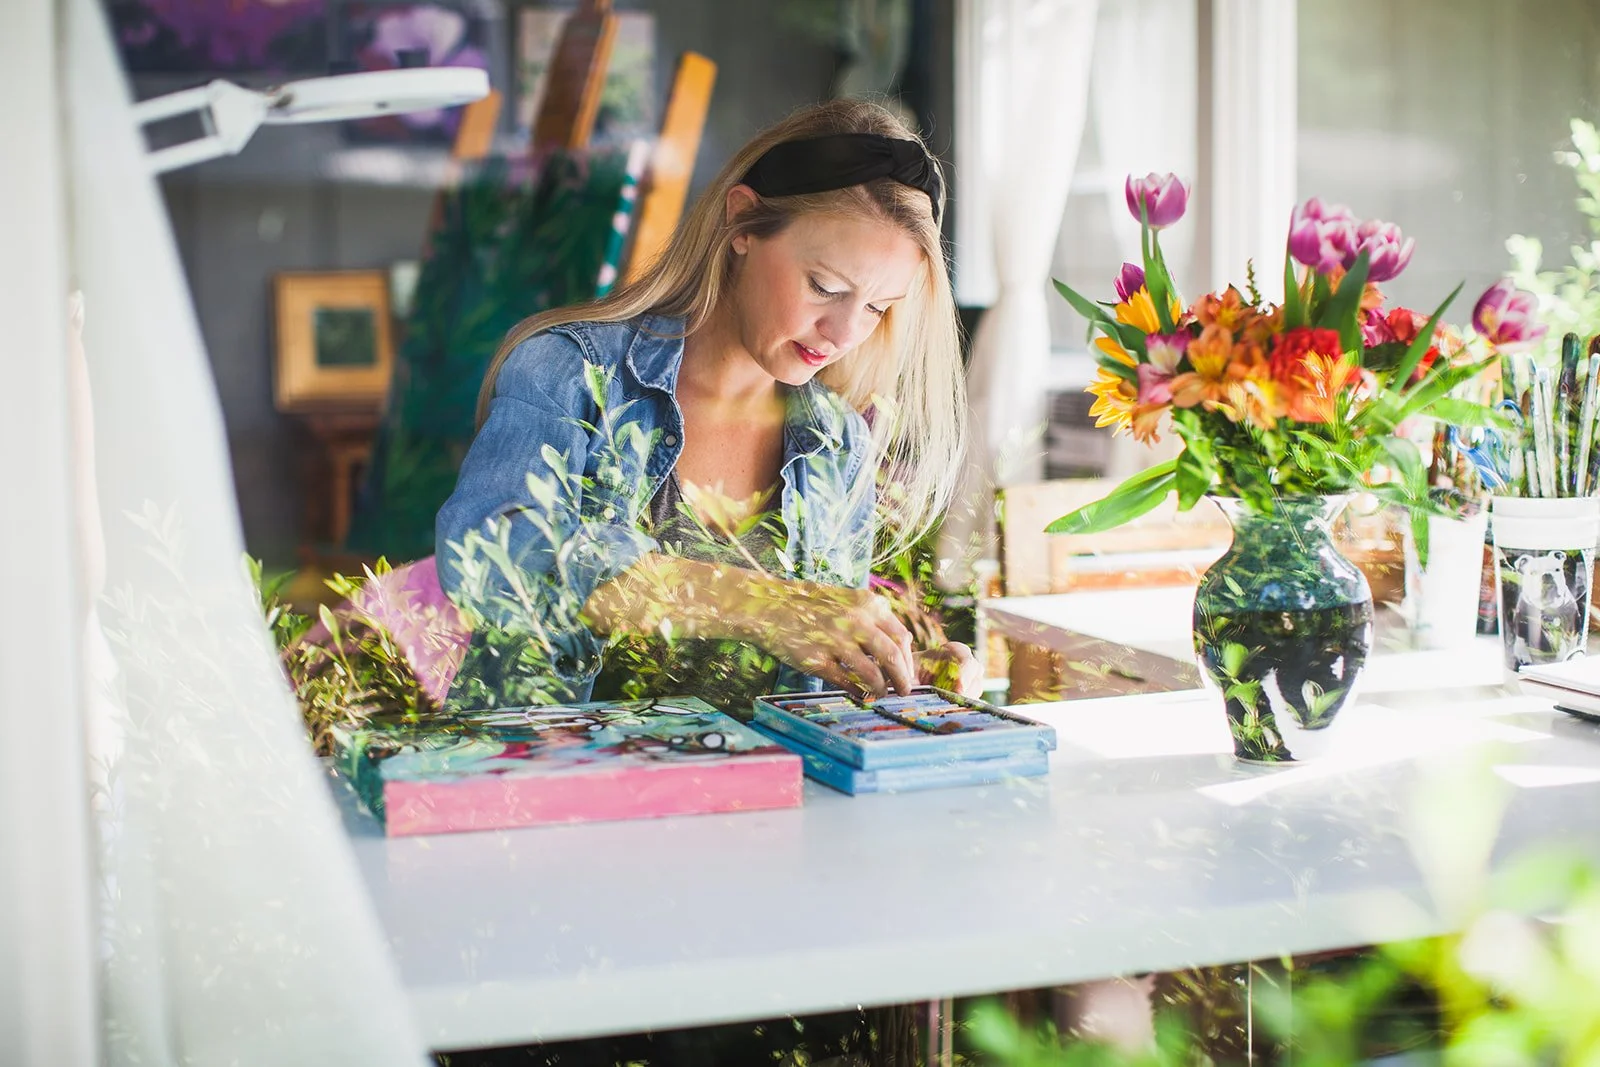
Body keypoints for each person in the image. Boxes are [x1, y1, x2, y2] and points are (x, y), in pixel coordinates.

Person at [435, 98, 978, 713]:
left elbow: (817, 669)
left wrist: (889, 670)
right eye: (825, 287)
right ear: (742, 225)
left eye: (879, 306)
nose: (845, 332)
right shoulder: (571, 371)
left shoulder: (836, 441)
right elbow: (486, 557)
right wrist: (761, 605)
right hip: (552, 788)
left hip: (762, 798)